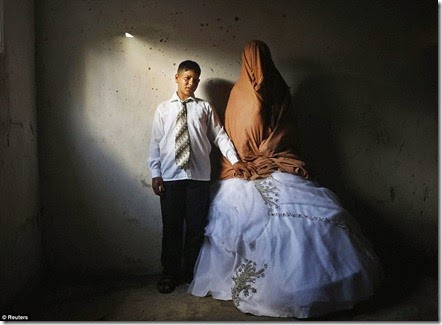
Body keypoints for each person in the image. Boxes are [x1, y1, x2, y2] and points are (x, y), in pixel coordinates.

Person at [188, 41, 383, 318]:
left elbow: (286, 132)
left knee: (324, 216)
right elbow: (230, 137)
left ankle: (325, 283)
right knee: (250, 219)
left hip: (279, 161)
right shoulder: (238, 95)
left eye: (262, 60)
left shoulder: (279, 91)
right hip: (246, 169)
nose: (258, 67)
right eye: (253, 61)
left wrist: (268, 154)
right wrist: (246, 161)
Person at [148, 60, 251, 294]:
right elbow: (155, 144)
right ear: (176, 77)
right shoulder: (163, 109)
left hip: (199, 179)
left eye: (195, 79)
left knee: (196, 228)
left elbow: (220, 137)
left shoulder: (204, 108)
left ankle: (190, 273)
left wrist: (235, 161)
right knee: (172, 227)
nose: (191, 83)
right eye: (187, 77)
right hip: (171, 178)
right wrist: (156, 174)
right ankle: (169, 273)